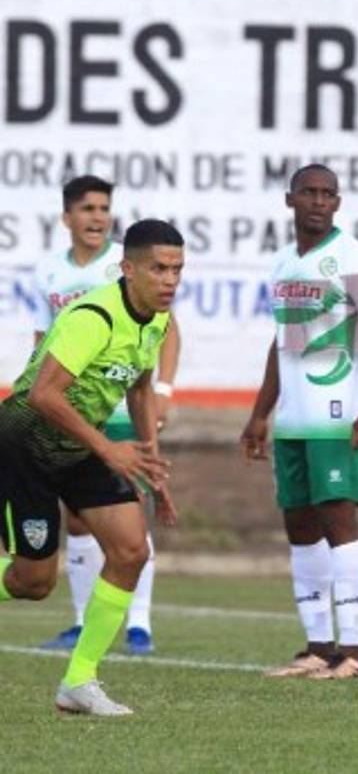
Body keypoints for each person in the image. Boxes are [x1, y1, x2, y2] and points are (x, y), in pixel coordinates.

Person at [0, 219, 183, 716]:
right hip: (26, 445)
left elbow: (141, 386)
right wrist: (108, 448)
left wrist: (147, 457)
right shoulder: (94, 317)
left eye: (177, 270)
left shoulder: (157, 319)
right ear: (128, 269)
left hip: (79, 448)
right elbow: (41, 395)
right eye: (158, 269)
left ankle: (78, 681)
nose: (169, 280)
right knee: (33, 583)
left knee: (130, 549)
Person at [241, 164, 358, 680]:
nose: (318, 201)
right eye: (309, 192)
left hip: (336, 416)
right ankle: (317, 647)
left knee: (339, 523)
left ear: (338, 202)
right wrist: (260, 414)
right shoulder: (284, 263)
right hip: (291, 419)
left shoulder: (352, 258)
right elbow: (280, 343)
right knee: (300, 528)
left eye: (328, 194)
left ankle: (353, 652)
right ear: (290, 199)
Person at [33, 175, 181, 656]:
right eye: (87, 208)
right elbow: (44, 345)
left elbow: (164, 334)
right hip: (68, 412)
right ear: (67, 218)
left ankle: (139, 624)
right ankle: (80, 620)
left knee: (129, 516)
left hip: (119, 407)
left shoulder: (136, 268)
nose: (97, 217)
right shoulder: (49, 272)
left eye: (103, 208)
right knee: (74, 524)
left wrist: (161, 390)